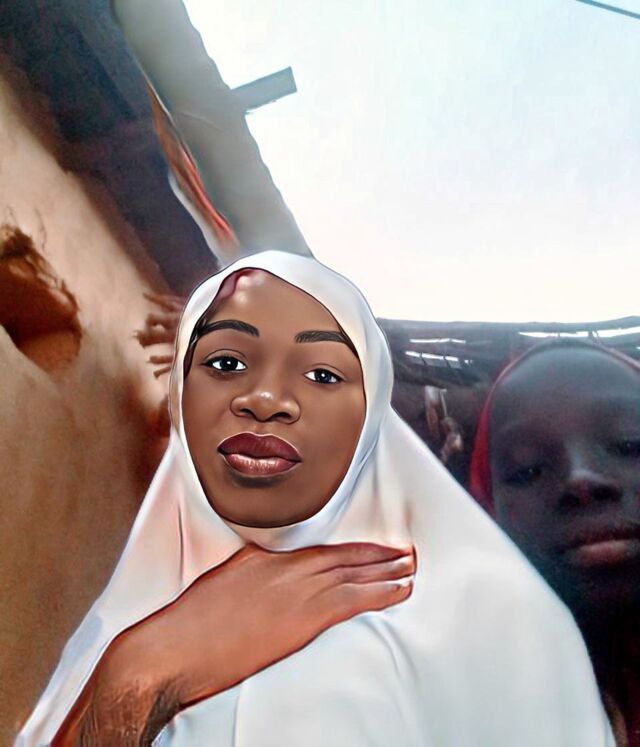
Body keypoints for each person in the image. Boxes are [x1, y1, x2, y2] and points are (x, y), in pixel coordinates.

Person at [19, 253, 614, 745]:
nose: (265, 399)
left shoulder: (486, 617)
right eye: (225, 363)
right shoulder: (133, 624)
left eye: (323, 374)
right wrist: (143, 674)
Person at [469, 339, 640, 746]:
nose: (580, 478)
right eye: (527, 470)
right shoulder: (455, 713)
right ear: (487, 510)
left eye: (629, 445)